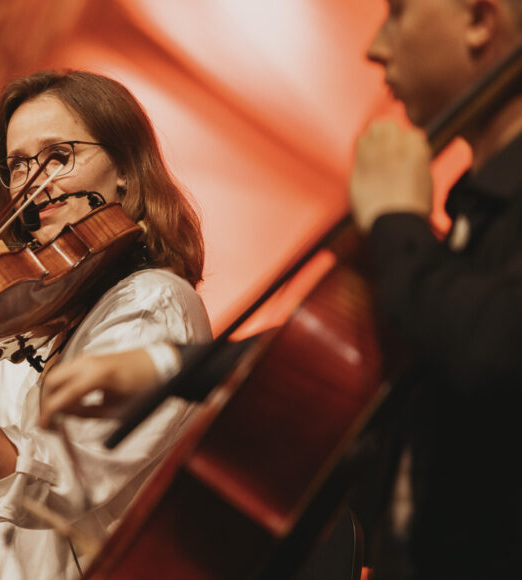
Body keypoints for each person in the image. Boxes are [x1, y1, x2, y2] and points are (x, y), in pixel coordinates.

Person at [39, 1, 522, 578]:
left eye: (398, 12)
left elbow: (494, 347)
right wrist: (165, 367)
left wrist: (396, 220)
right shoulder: (471, 207)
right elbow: (346, 354)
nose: (376, 47)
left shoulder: (429, 224)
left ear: (480, 20)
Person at [0, 70, 212, 580]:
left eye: (59, 157)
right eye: (17, 165)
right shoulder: (36, 320)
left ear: (125, 169)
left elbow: (54, 483)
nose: (35, 181)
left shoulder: (154, 305)